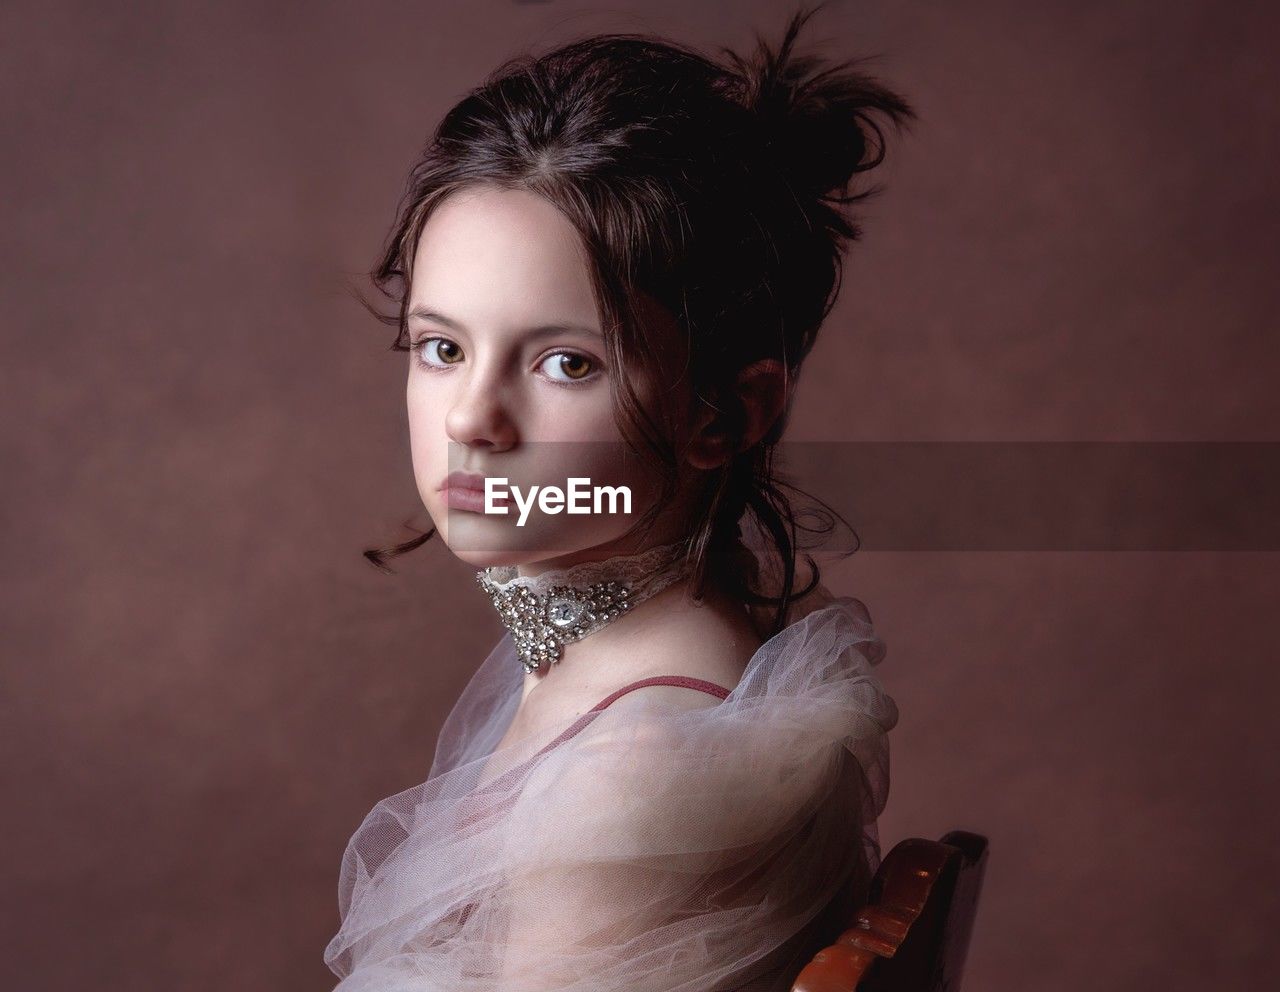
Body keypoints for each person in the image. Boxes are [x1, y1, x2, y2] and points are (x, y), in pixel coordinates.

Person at [324, 5, 914, 989]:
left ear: (725, 412)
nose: (473, 417)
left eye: (564, 361)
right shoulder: (626, 651)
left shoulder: (627, 773)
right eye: (441, 346)